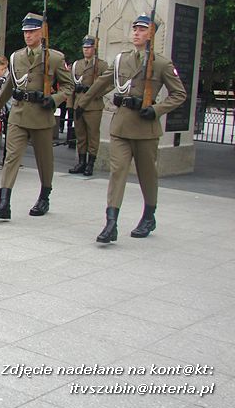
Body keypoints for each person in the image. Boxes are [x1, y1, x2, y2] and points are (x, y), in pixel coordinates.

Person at [77, 14, 186, 243]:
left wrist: (156, 110)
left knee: (147, 175)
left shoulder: (161, 63)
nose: (136, 33)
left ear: (151, 35)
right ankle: (111, 223)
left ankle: (149, 215)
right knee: (118, 172)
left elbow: (179, 94)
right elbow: (101, 83)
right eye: (135, 29)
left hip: (146, 128)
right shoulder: (120, 60)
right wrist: (82, 103)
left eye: (142, 29)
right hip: (121, 125)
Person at [0, 12, 73, 220]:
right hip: (19, 112)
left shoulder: (55, 58)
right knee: (11, 157)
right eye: (25, 32)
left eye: (32, 31)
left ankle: (44, 195)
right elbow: (9, 85)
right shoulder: (16, 57)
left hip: (41, 115)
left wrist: (54, 99)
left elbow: (69, 86)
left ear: (41, 32)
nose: (28, 35)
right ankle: (4, 202)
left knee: (45, 160)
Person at [67, 35, 108, 176]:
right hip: (78, 104)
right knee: (80, 134)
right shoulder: (77, 65)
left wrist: (97, 93)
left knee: (93, 135)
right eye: (84, 47)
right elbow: (71, 86)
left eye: (89, 47)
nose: (86, 50)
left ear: (94, 48)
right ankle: (81, 161)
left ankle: (90, 163)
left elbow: (110, 83)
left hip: (93, 105)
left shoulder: (101, 65)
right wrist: (70, 105)